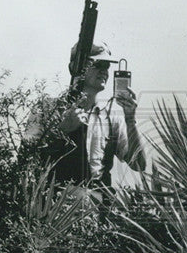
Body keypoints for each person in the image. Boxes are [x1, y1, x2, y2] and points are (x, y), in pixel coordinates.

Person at [57, 42, 146, 191]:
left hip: (97, 208)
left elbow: (139, 164)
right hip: (56, 206)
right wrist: (63, 130)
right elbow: (27, 156)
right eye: (98, 64)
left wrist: (130, 119)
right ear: (76, 67)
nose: (104, 71)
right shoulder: (49, 109)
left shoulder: (111, 119)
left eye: (107, 65)